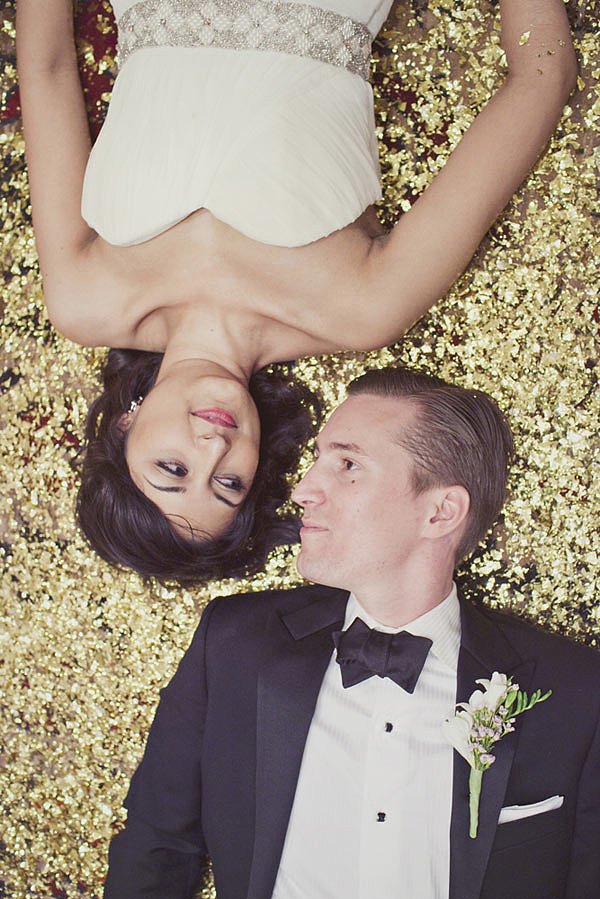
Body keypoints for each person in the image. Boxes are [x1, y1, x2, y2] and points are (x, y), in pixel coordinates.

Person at [16, 1, 577, 582]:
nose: (213, 446)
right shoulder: (362, 310)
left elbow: (47, 69)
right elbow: (542, 77)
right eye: (229, 483)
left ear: (124, 428)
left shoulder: (84, 300)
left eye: (172, 468)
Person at [103, 366, 600, 899]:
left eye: (347, 465)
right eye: (317, 460)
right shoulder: (233, 645)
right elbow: (154, 852)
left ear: (440, 513)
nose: (303, 491)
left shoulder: (577, 692)